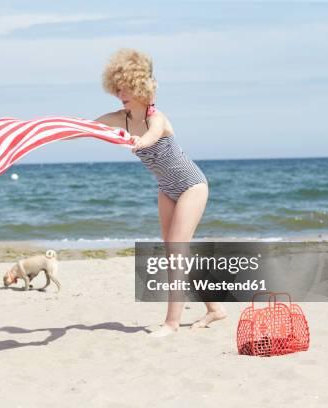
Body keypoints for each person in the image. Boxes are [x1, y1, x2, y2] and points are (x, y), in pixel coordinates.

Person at [95, 48, 226, 337]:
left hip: (192, 185)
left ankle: (172, 323)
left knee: (175, 253)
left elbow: (153, 134)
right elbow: (90, 125)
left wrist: (141, 143)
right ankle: (216, 309)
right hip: (167, 189)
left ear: (142, 86)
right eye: (118, 88)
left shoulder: (158, 118)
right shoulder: (123, 118)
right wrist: (57, 129)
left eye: (127, 87)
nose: (121, 93)